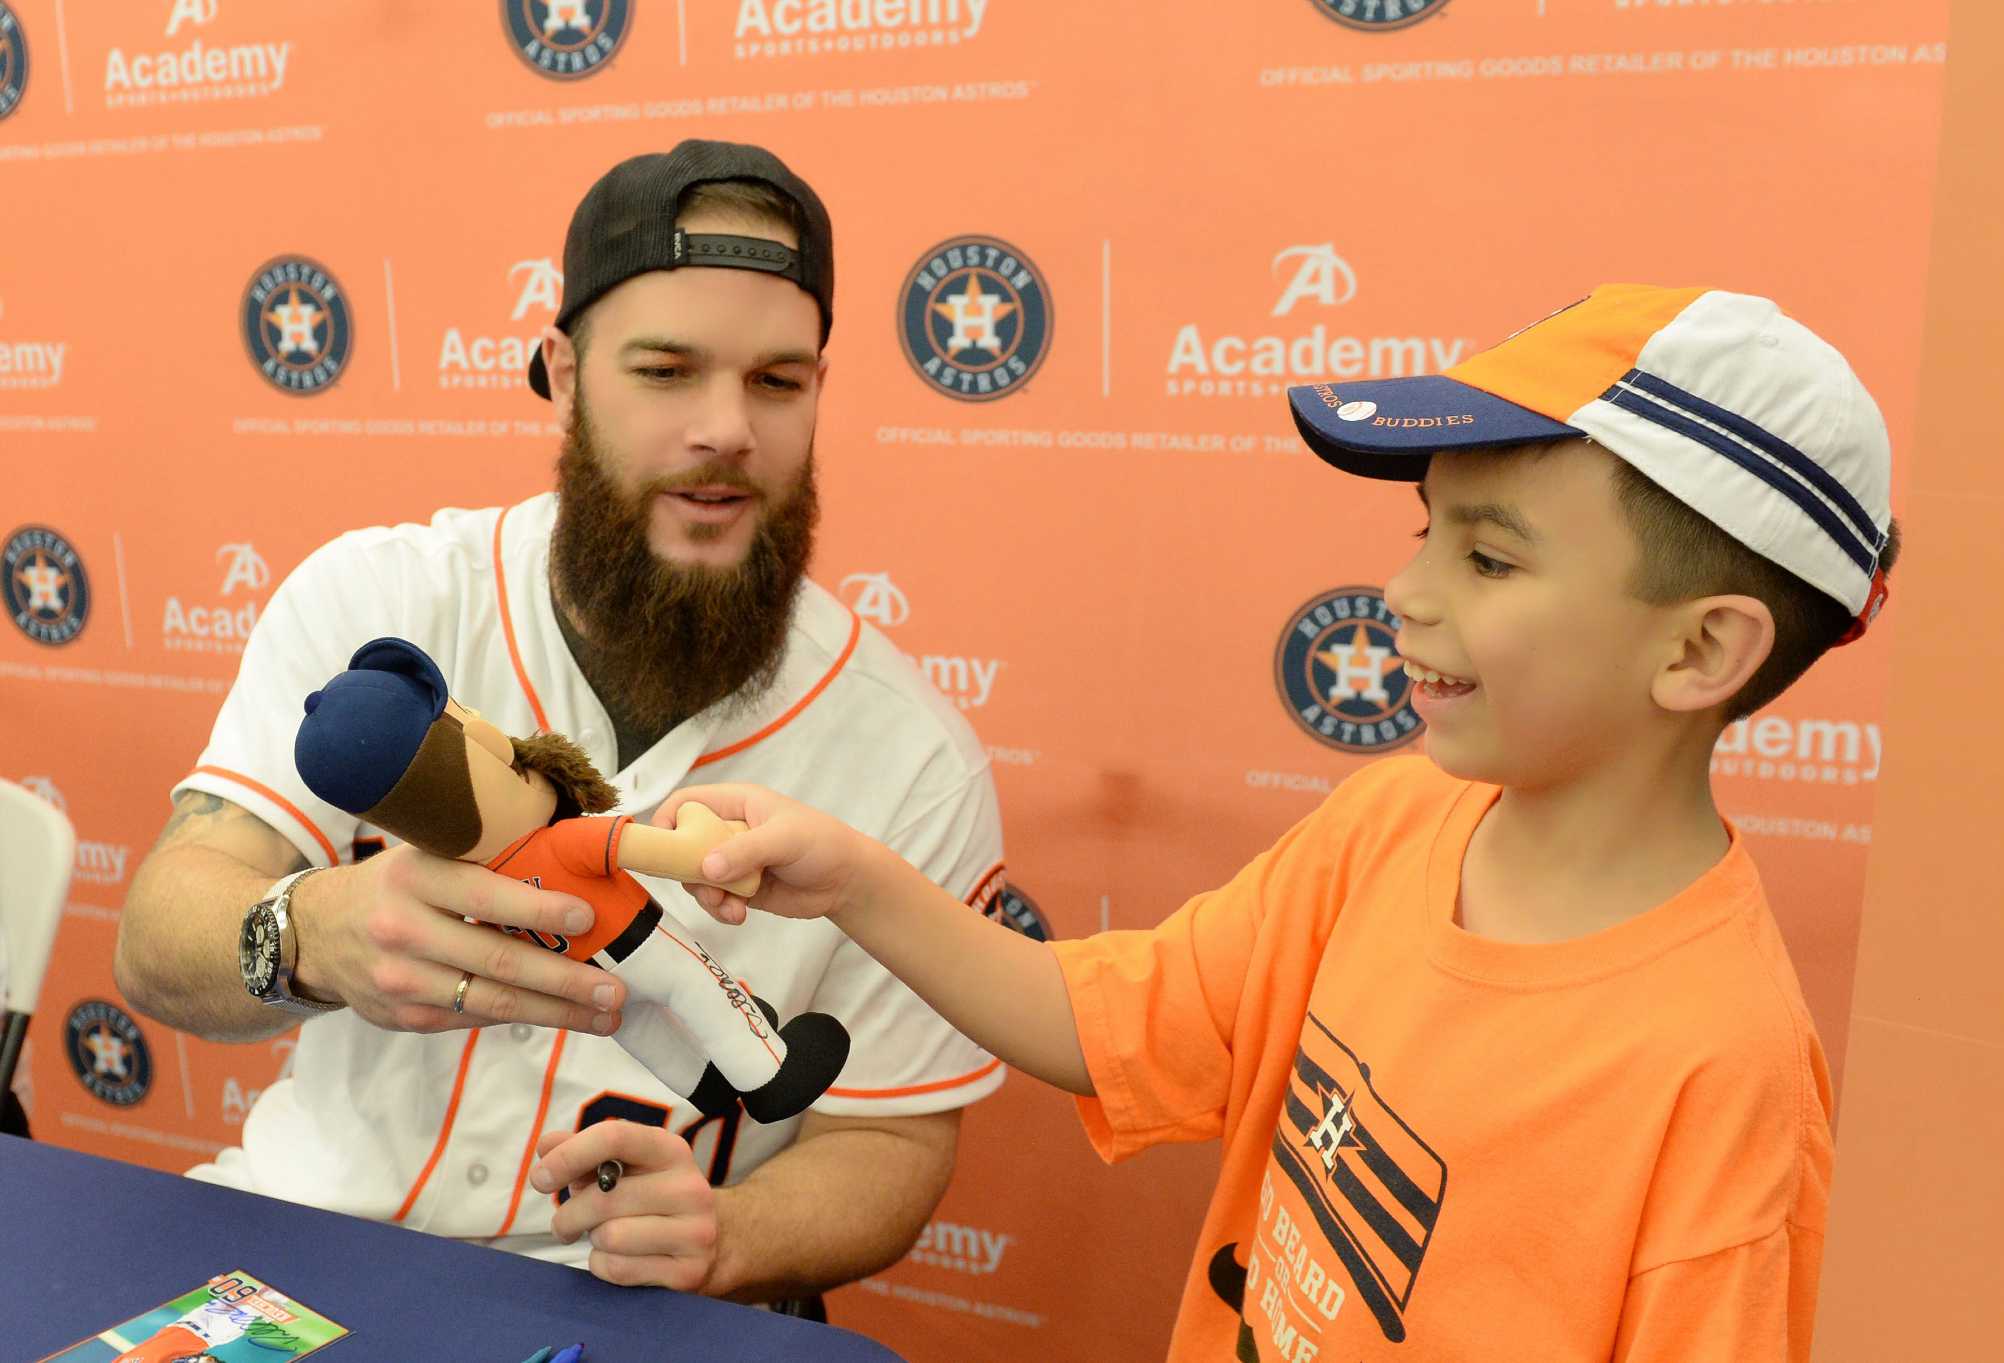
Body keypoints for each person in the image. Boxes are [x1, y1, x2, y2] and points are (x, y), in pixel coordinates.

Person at [666, 284, 1896, 1358]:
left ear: (1698, 648)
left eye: (1488, 560)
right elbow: (1113, 1024)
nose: (1402, 593)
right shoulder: (1395, 820)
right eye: (1425, 531)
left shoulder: (1722, 1080)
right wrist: (855, 882)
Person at [114, 139, 1007, 1310]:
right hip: (297, 1260)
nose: (726, 429)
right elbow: (157, 935)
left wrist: (730, 1237)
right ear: (565, 371)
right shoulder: (379, 598)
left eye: (777, 381)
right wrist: (305, 932)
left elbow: (892, 1148)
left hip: (627, 1311)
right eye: (667, 370)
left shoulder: (912, 753)